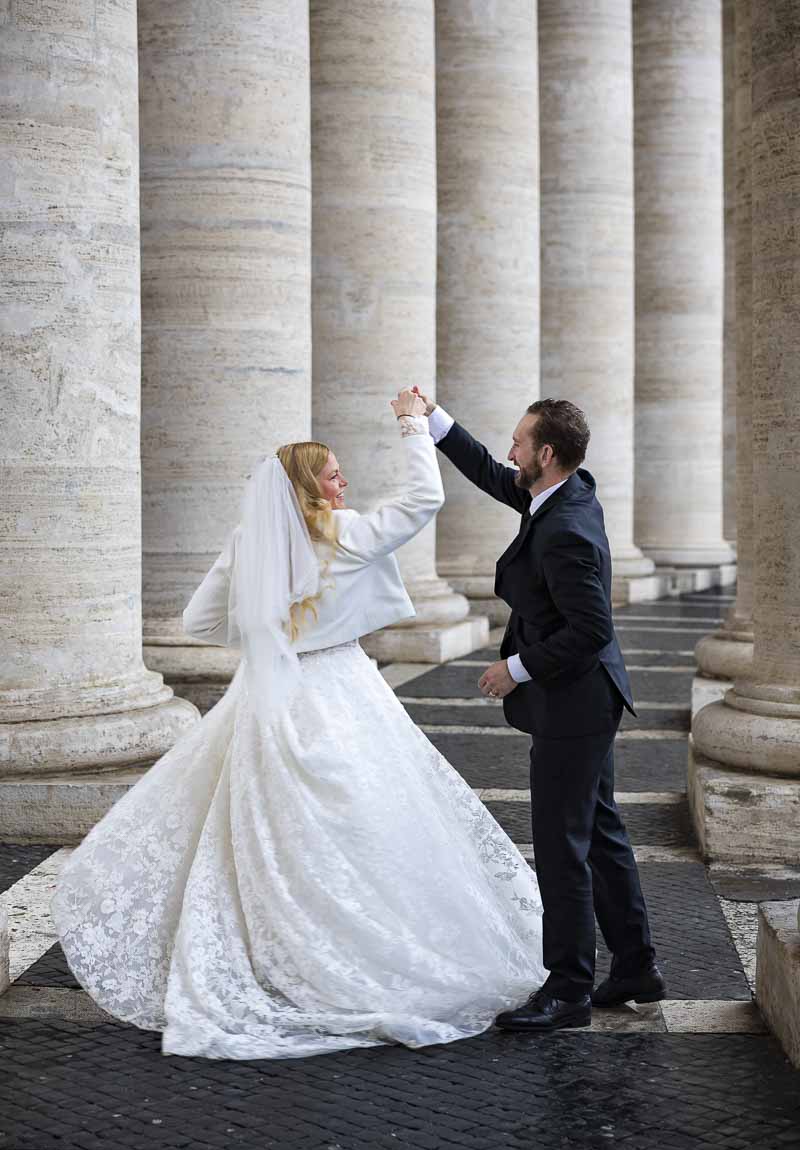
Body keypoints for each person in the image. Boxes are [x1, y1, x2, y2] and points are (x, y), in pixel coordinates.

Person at [51, 388, 545, 1060]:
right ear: (311, 486)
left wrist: (265, 631)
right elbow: (423, 500)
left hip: (271, 692)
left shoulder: (249, 543)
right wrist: (410, 426)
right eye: (336, 474)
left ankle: (278, 947)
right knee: (365, 820)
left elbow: (198, 621)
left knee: (269, 830)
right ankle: (352, 945)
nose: (346, 482)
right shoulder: (346, 535)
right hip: (343, 686)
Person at [418, 390, 664, 1032]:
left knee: (562, 846)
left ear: (546, 454)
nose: (510, 452)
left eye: (520, 443)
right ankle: (635, 966)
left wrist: (513, 669)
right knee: (600, 832)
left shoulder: (565, 529)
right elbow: (498, 477)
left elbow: (590, 628)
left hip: (575, 703)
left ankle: (568, 990)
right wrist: (434, 418)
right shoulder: (567, 491)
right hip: (589, 698)